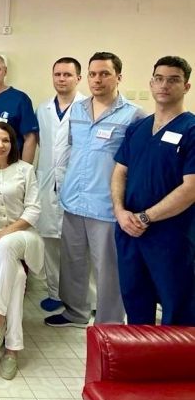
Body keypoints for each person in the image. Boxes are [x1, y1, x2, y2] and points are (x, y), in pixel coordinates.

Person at [46, 52, 144, 328]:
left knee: (108, 269)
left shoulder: (134, 115)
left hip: (106, 204)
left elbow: (136, 163)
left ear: (118, 77)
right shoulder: (77, 110)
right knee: (72, 262)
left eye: (104, 73)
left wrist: (125, 205)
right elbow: (71, 151)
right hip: (74, 199)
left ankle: (109, 323)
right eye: (93, 74)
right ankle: (75, 313)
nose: (97, 79)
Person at [111, 56, 195, 325]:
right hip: (129, 230)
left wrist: (147, 217)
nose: (164, 85)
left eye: (173, 80)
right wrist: (120, 211)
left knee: (177, 306)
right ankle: (140, 351)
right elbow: (120, 172)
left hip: (170, 235)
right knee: (135, 302)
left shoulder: (191, 130)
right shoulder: (138, 128)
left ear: (186, 86)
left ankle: (176, 354)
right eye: (159, 79)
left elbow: (191, 188)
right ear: (151, 83)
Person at [0, 122, 43, 380]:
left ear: (13, 144)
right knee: (18, 277)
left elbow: (33, 210)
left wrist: (3, 233)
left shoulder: (25, 170)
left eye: (5, 140)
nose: (0, 145)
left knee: (7, 244)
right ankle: (12, 350)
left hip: (23, 235)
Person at [35, 57, 87, 312]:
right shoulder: (43, 109)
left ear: (78, 78)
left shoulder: (88, 108)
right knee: (49, 242)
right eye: (58, 74)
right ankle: (55, 294)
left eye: (67, 74)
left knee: (80, 246)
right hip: (47, 181)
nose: (62, 79)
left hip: (77, 183)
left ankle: (87, 299)